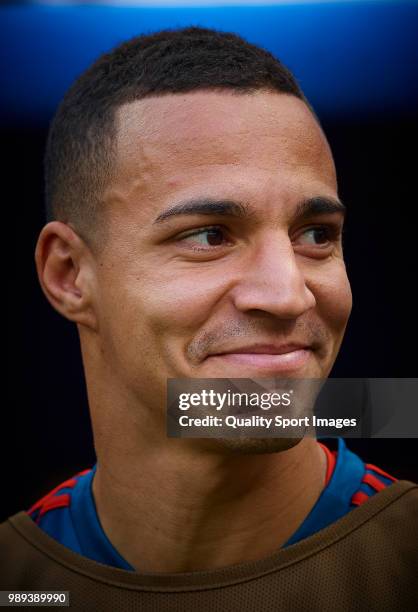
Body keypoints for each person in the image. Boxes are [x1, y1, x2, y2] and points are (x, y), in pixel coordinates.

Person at [1, 26, 417, 610]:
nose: (289, 294)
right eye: (209, 235)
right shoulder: (17, 580)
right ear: (70, 275)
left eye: (316, 235)